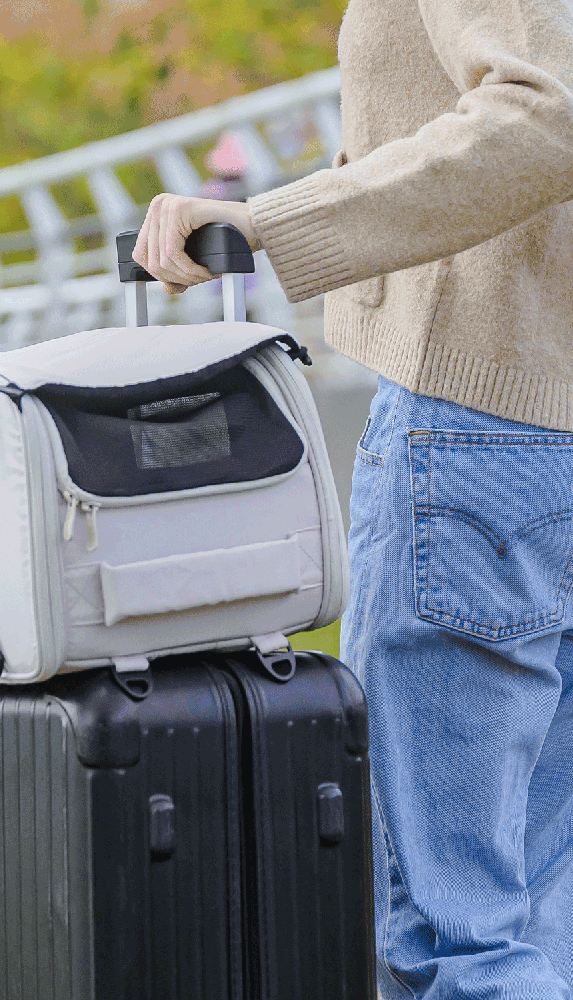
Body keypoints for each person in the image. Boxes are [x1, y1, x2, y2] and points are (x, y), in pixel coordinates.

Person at [132, 0, 573, 996]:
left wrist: (270, 224)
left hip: (481, 426)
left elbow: (545, 110)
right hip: (540, 435)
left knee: (451, 939)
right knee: (533, 926)